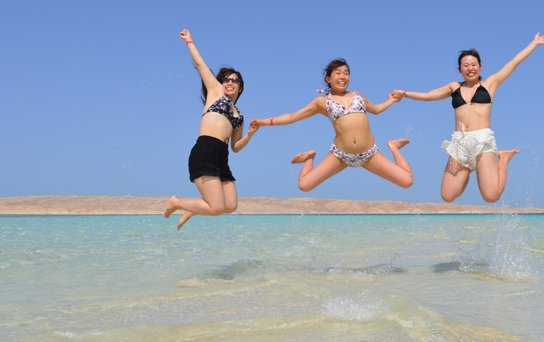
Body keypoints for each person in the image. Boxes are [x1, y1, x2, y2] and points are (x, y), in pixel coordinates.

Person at [393, 33, 544, 204]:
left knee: (491, 197)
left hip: (482, 141)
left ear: (480, 67)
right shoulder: (454, 87)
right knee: (447, 195)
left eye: (474, 64)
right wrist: (404, 94)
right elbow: (429, 95)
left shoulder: (490, 84)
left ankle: (503, 158)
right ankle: (470, 169)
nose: (470, 68)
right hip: (460, 142)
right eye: (465, 65)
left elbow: (514, 62)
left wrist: (534, 43)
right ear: (460, 69)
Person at [250, 59, 413, 192]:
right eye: (338, 73)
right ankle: (309, 157)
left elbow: (376, 110)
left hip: (369, 154)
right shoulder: (322, 102)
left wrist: (391, 100)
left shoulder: (357, 95)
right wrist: (263, 122)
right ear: (328, 78)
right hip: (340, 155)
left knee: (407, 181)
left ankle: (393, 147)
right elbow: (293, 117)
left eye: (346, 73)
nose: (343, 76)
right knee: (304, 186)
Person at [164, 29, 257, 229]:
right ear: (221, 83)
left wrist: (250, 134)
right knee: (216, 208)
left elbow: (236, 146)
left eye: (235, 80)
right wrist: (189, 41)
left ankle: (194, 208)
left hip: (222, 157)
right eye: (226, 79)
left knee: (230, 205)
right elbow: (200, 65)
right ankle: (177, 203)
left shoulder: (239, 116)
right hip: (205, 149)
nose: (230, 82)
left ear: (241, 87)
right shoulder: (215, 93)